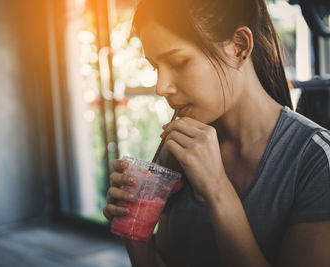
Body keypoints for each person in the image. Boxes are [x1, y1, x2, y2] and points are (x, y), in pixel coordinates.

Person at [102, 0, 330, 266]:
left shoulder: (316, 161)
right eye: (155, 67)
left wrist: (217, 189)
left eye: (178, 62)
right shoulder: (180, 147)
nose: (161, 87)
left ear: (239, 47)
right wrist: (133, 232)